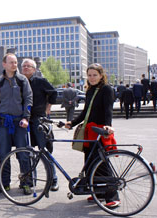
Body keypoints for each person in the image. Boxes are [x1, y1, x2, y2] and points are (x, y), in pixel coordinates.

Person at [65, 64, 120, 208]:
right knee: (90, 162)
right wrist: (72, 122)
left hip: (99, 130)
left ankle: (112, 196)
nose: (92, 78)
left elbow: (108, 109)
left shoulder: (106, 89)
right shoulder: (90, 90)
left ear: (101, 75)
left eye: (95, 75)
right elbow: (85, 113)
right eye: (89, 75)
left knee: (101, 163)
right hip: (89, 131)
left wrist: (108, 125)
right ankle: (99, 192)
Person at [0, 53, 33, 195]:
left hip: (19, 122)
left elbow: (28, 99)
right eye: (11, 62)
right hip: (3, 123)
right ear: (4, 64)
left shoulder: (22, 80)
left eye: (15, 62)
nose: (14, 65)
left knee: (23, 154)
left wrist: (26, 117)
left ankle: (26, 183)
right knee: (4, 154)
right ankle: (4, 184)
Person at [21, 58, 59, 191]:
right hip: (24, 122)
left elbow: (53, 93)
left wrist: (48, 108)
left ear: (34, 69)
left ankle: (53, 180)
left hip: (38, 120)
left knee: (45, 151)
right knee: (27, 152)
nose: (26, 68)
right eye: (24, 66)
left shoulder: (40, 81)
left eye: (29, 66)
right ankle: (30, 181)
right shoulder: (18, 83)